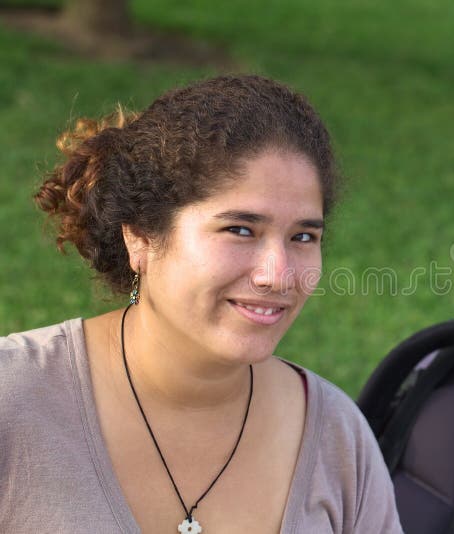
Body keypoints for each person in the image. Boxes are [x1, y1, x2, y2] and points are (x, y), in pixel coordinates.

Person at [0, 75, 403, 534]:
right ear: (141, 237)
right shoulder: (13, 401)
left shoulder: (337, 436)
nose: (279, 274)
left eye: (303, 237)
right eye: (240, 229)